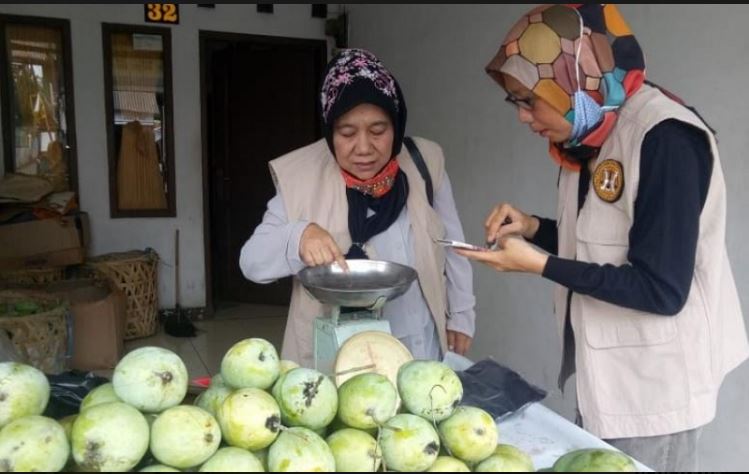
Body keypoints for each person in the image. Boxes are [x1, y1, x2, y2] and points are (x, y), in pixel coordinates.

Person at [459, 4, 749, 471]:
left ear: (575, 77)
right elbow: (599, 241)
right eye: (515, 101)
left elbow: (662, 288)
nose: (523, 117)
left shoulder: (666, 140)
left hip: (654, 390)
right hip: (608, 380)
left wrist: (538, 264)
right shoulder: (587, 134)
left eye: (529, 99)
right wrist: (533, 228)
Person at [240, 49, 476, 368]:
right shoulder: (301, 177)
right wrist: (298, 236)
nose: (364, 148)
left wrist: (461, 315)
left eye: (378, 131)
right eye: (347, 133)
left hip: (420, 342)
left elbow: (454, 247)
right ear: (329, 131)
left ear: (396, 124)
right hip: (340, 359)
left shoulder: (425, 163)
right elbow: (251, 262)